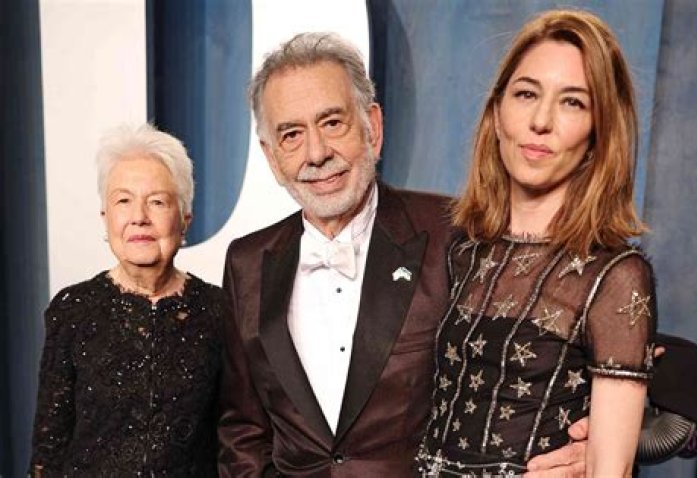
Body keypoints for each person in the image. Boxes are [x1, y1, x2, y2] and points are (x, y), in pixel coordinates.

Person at [218, 31, 589, 477]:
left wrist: (599, 440)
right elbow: (243, 427)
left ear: (372, 128)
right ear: (272, 156)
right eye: (292, 134)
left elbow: (572, 339)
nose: (316, 153)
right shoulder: (246, 262)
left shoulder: (456, 232)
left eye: (332, 123)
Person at [416, 9, 655, 476]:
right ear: (497, 113)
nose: (541, 121)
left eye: (573, 103)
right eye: (526, 94)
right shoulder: (461, 250)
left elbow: (611, 469)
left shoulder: (615, 276)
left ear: (599, 133)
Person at [30, 124, 227, 476]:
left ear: (185, 219)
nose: (139, 217)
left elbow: (236, 439)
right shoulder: (73, 309)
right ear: (105, 218)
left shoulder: (220, 311)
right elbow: (50, 445)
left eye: (157, 202)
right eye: (123, 200)